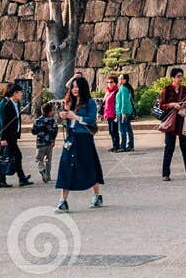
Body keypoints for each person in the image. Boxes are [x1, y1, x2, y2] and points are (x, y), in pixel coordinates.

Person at [55, 74, 105, 211]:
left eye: (77, 86)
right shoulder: (69, 101)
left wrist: (75, 117)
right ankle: (62, 200)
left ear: (83, 88)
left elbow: (91, 120)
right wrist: (64, 115)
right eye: (73, 87)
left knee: (88, 166)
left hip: (84, 138)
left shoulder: (89, 102)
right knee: (66, 166)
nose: (74, 89)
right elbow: (66, 88)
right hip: (71, 137)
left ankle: (97, 195)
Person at [0, 82, 33, 188]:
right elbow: (4, 122)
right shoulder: (6, 104)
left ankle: (15, 179)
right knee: (9, 156)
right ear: (14, 93)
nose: (22, 94)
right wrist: (3, 138)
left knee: (12, 156)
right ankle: (6, 180)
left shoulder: (15, 103)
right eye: (20, 93)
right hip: (7, 136)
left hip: (12, 135)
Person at [158, 68, 186, 181]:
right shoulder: (166, 89)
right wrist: (172, 104)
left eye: (181, 76)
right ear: (173, 78)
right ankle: (165, 174)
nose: (180, 78)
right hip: (171, 122)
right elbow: (161, 105)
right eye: (178, 76)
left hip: (182, 121)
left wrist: (185, 104)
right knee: (169, 147)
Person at [31, 102, 59, 182]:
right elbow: (55, 130)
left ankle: (42, 170)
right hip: (50, 143)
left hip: (40, 144)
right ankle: (48, 175)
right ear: (50, 112)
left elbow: (33, 131)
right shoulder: (52, 120)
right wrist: (53, 140)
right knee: (48, 160)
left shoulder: (37, 120)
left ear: (42, 111)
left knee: (39, 159)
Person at [115, 73, 135, 151]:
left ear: (125, 80)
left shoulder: (123, 88)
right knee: (128, 129)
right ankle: (130, 145)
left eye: (121, 79)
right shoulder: (124, 87)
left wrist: (123, 112)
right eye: (119, 78)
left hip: (123, 112)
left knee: (122, 129)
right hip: (124, 111)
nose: (120, 80)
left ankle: (123, 146)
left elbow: (124, 101)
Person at [102, 76, 121, 151]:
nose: (109, 83)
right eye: (108, 82)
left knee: (114, 130)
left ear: (115, 83)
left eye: (111, 82)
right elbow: (105, 103)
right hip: (108, 113)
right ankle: (114, 145)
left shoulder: (117, 91)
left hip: (114, 113)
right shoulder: (108, 91)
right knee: (110, 131)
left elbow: (117, 103)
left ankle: (117, 146)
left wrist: (117, 114)